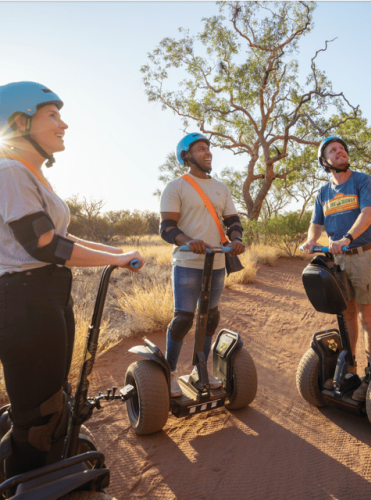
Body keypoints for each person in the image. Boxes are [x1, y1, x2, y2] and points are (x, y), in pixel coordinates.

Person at [0, 81, 145, 478]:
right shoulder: (10, 170)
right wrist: (111, 259)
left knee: (53, 393)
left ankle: (47, 468)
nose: (63, 124)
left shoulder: (31, 174)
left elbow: (62, 237)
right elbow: (45, 244)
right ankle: (30, 479)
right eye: (52, 115)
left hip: (45, 297)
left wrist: (114, 256)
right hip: (25, 301)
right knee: (39, 408)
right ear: (19, 121)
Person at [160, 132, 245, 397]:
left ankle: (200, 369)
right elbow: (166, 228)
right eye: (200, 149)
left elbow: (233, 221)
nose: (207, 152)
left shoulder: (221, 187)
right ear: (187, 156)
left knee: (210, 318)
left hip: (217, 261)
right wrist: (189, 240)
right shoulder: (176, 187)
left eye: (208, 148)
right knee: (183, 319)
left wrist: (237, 239)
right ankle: (169, 372)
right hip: (187, 262)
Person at [302, 136, 371, 402]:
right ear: (325, 161)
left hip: (361, 255)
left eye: (342, 149)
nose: (340, 152)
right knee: (347, 315)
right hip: (337, 260)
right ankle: (351, 370)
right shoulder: (323, 193)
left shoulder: (362, 180)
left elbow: (367, 213)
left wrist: (347, 237)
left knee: (365, 315)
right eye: (333, 151)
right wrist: (312, 240)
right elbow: (317, 223)